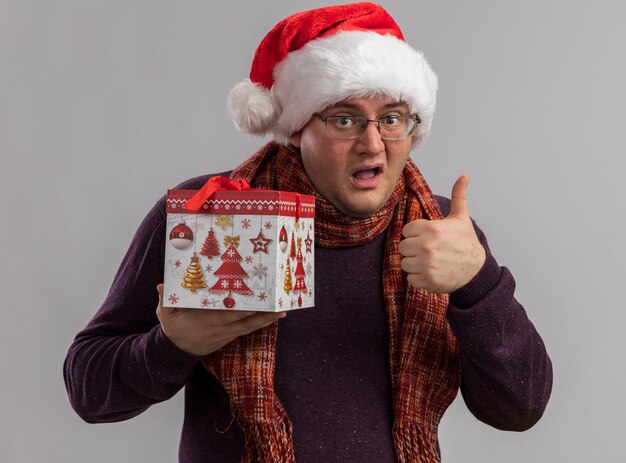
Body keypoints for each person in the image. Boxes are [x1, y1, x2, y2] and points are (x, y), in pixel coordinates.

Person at [64, 3, 552, 462]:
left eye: (392, 118)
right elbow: (88, 389)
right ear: (298, 128)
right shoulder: (208, 214)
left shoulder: (445, 234)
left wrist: (478, 282)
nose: (372, 143)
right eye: (344, 118)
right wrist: (173, 346)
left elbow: (519, 408)